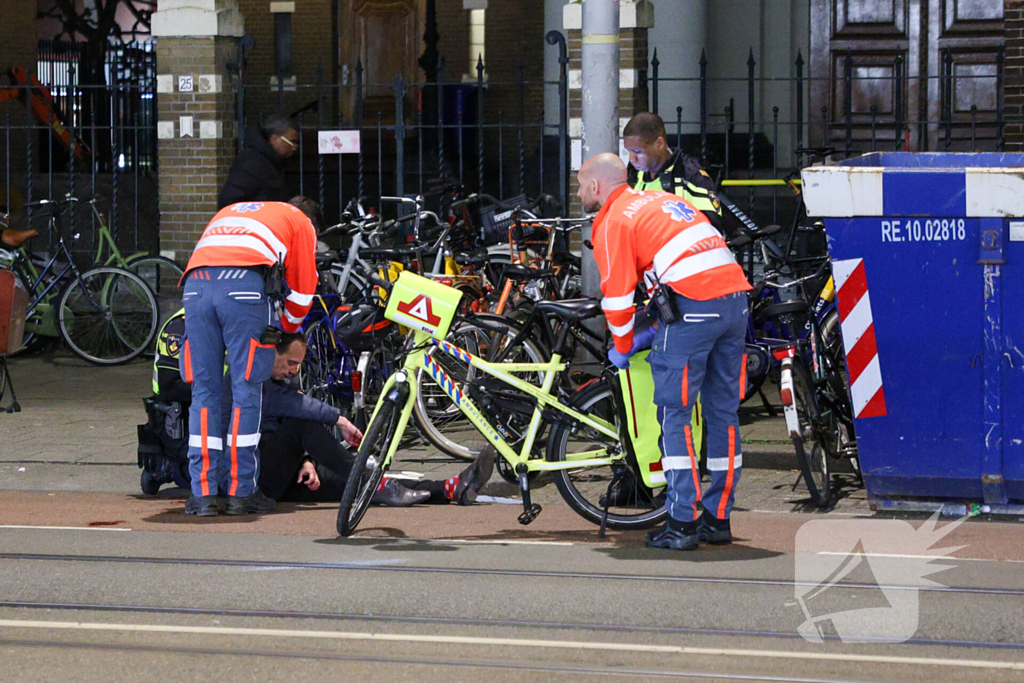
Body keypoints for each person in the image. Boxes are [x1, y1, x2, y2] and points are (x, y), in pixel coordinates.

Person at [577, 153, 751, 551]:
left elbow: (617, 301)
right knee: (723, 411)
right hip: (735, 298)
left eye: (580, 184)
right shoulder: (660, 200)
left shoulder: (612, 220)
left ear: (595, 187)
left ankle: (681, 521)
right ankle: (718, 517)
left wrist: (622, 346)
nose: (578, 192)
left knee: (675, 414)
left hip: (694, 303)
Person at [146, 314, 493, 508]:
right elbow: (293, 409)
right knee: (305, 425)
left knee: (345, 485)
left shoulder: (273, 381)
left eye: (299, 364)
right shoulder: (246, 377)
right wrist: (339, 418)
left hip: (265, 474)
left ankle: (448, 489)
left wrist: (305, 461)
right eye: (290, 362)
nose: (294, 370)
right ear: (270, 353)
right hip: (237, 481)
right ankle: (384, 485)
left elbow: (278, 423)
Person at [180, 197, 320, 517]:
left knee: (204, 391)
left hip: (195, 287)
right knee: (247, 389)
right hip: (244, 287)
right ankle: (241, 491)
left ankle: (201, 494)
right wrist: (285, 330)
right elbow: (301, 292)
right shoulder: (300, 222)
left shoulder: (231, 210)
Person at [622, 112, 725, 233]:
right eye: (628, 151)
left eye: (638, 151)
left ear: (659, 144)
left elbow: (711, 233)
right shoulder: (633, 173)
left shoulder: (691, 177)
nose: (631, 159)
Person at [218, 115, 299, 209]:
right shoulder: (252, 162)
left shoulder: (276, 162)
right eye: (291, 142)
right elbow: (230, 199)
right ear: (274, 138)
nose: (294, 147)